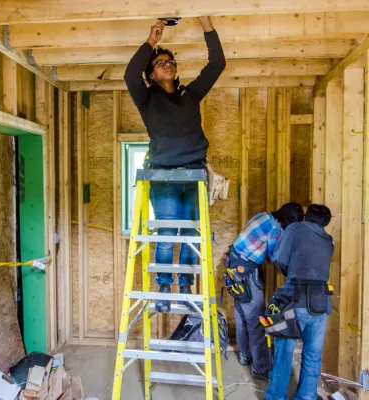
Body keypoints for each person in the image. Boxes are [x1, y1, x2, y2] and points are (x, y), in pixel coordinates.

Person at [124, 17, 226, 313]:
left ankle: (184, 284)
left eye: (170, 62)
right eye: (160, 63)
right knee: (168, 234)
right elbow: (130, 74)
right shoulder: (146, 99)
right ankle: (165, 286)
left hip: (195, 175)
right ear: (153, 75)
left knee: (192, 235)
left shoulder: (189, 95)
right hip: (164, 177)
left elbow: (217, 64)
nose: (167, 65)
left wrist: (206, 22)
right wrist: (152, 41)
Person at [226, 203, 304, 379]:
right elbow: (273, 256)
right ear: (287, 220)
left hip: (235, 267)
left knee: (241, 315)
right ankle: (260, 368)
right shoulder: (276, 229)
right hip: (245, 271)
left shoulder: (262, 216)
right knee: (256, 319)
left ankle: (245, 356)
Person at [266, 204, 334, 400]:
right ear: (325, 223)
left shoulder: (295, 229)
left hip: (294, 300)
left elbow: (279, 256)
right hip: (320, 304)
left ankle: (277, 397)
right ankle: (306, 396)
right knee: (313, 355)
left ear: (306, 217)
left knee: (284, 354)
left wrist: (291, 272)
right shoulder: (330, 240)